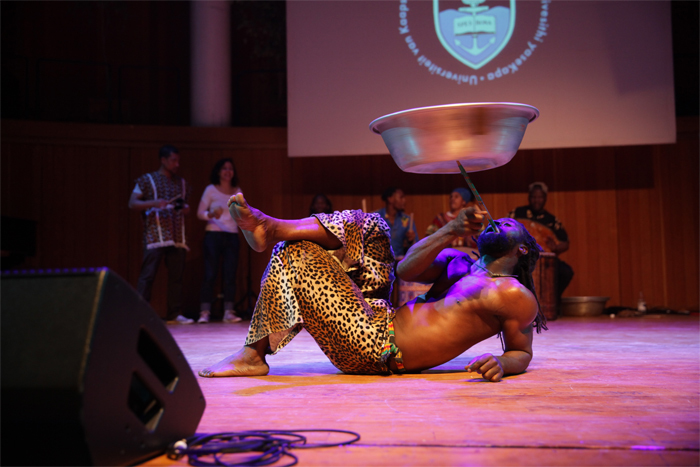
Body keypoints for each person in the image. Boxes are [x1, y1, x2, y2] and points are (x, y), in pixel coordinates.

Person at [198, 193, 547, 381]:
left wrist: (502, 364)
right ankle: (272, 227)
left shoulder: (514, 295)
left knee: (296, 254)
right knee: (374, 225)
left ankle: (253, 355)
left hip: (378, 349)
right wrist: (450, 230)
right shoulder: (458, 262)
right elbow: (406, 268)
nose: (498, 220)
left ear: (524, 249)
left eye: (509, 223)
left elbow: (522, 353)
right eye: (498, 219)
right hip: (375, 317)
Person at [129, 145, 193, 324]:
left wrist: (185, 208)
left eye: (177, 160)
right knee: (147, 275)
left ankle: (174, 314)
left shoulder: (180, 183)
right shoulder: (147, 180)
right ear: (163, 160)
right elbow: (132, 203)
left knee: (176, 277)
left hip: (176, 235)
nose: (176, 164)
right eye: (173, 160)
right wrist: (154, 202)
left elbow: (186, 208)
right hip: (155, 235)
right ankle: (140, 314)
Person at [196, 158, 243, 324]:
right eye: (224, 168)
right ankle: (204, 311)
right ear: (218, 172)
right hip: (213, 235)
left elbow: (243, 214)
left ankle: (228, 311)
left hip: (231, 235)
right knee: (210, 273)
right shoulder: (211, 190)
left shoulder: (237, 191)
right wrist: (210, 214)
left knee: (230, 274)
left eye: (231, 168)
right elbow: (199, 213)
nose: (228, 171)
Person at [508, 182, 574, 299]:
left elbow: (565, 243)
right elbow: (504, 230)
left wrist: (555, 248)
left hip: (544, 260)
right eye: (533, 197)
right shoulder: (517, 213)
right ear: (529, 197)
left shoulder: (551, 220)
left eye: (540, 197)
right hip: (521, 257)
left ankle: (553, 301)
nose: (536, 200)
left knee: (566, 272)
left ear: (545, 198)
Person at [375, 187, 418, 258]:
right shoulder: (376, 217)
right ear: (390, 199)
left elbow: (416, 248)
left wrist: (411, 240)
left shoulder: (406, 219)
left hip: (399, 261)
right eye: (401, 197)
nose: (404, 201)